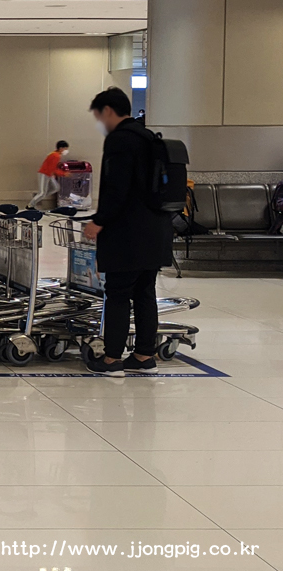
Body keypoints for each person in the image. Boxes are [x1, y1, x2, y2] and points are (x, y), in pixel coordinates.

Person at [82, 87, 173, 376]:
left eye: (99, 116)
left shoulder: (120, 140)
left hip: (128, 233)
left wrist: (99, 221)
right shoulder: (148, 137)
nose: (100, 122)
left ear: (108, 111)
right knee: (145, 292)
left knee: (118, 293)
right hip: (156, 229)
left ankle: (112, 360)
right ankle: (144, 356)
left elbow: (117, 187)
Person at [29, 140, 70, 209]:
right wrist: (63, 173)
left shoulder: (55, 154)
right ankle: (30, 205)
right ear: (61, 148)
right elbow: (52, 168)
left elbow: (52, 168)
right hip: (44, 173)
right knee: (42, 192)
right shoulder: (55, 156)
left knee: (55, 188)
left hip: (49, 174)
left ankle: (39, 196)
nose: (66, 151)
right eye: (65, 149)